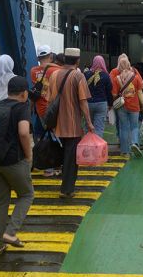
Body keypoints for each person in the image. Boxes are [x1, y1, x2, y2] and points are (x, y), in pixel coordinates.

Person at [0, 76, 35, 257]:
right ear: (24, 93)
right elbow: (23, 132)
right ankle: (11, 232)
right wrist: (29, 155)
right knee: (26, 194)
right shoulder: (22, 106)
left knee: (1, 200)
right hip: (12, 161)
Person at [46, 48, 95, 198]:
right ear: (77, 60)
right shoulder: (78, 76)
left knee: (62, 155)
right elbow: (83, 102)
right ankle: (67, 189)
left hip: (56, 123)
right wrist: (89, 123)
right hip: (72, 125)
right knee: (71, 158)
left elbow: (49, 99)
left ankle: (63, 184)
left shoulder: (54, 75)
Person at [29, 45, 60, 176]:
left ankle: (40, 162)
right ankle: (50, 167)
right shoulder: (55, 70)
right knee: (53, 137)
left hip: (39, 108)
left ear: (38, 57)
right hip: (52, 109)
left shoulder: (33, 71)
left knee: (41, 135)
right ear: (50, 55)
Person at [112, 55, 143, 158]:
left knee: (124, 128)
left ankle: (125, 151)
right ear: (128, 64)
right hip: (134, 106)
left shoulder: (116, 78)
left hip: (122, 106)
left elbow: (114, 94)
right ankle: (135, 143)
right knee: (135, 126)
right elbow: (140, 92)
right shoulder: (135, 77)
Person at [84, 55, 112, 138]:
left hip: (88, 103)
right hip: (101, 103)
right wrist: (110, 104)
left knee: (87, 126)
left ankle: (87, 146)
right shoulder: (106, 76)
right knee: (99, 128)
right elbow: (109, 91)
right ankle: (97, 149)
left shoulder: (86, 74)